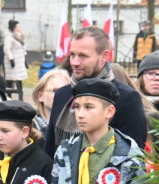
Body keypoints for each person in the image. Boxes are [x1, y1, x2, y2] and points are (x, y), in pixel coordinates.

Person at [44, 26, 147, 156]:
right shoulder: (62, 94)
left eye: (83, 56)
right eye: (72, 55)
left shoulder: (126, 98)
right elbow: (49, 151)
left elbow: (133, 156)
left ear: (104, 57)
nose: (75, 62)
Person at [3, 20, 27, 100]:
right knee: (11, 79)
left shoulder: (19, 36)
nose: (19, 28)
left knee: (19, 79)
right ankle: (8, 97)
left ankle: (20, 96)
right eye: (17, 27)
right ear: (13, 28)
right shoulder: (9, 37)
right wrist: (11, 59)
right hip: (13, 62)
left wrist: (25, 59)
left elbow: (22, 48)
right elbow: (6, 49)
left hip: (20, 61)